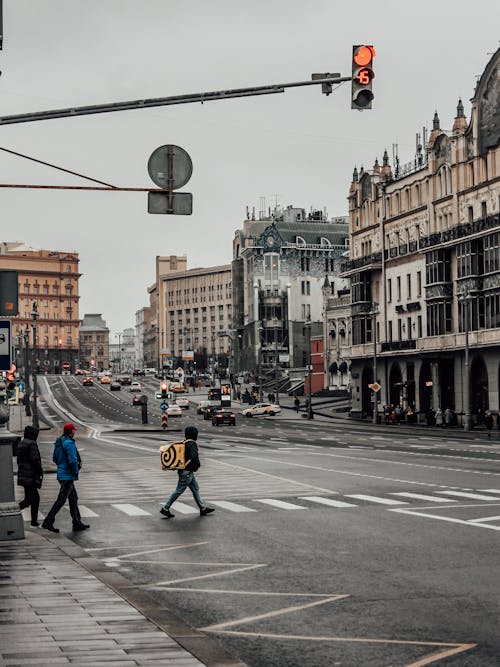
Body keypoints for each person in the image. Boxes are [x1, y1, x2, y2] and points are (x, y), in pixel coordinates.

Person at [42, 423, 89, 533]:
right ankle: (48, 521)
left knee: (73, 498)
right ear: (70, 431)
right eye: (74, 430)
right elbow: (73, 460)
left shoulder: (59, 442)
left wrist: (62, 466)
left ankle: (76, 522)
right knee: (61, 500)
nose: (75, 432)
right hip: (67, 476)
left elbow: (55, 458)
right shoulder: (69, 443)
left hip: (62, 474)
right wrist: (75, 471)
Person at [160, 425, 215, 519]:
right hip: (187, 472)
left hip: (185, 471)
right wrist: (197, 465)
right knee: (179, 490)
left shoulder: (184, 443)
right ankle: (165, 508)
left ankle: (203, 508)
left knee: (195, 488)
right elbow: (193, 457)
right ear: (194, 434)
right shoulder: (192, 444)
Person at [17, 425, 43, 527]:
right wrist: (39, 471)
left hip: (24, 474)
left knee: (32, 498)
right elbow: (35, 459)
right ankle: (15, 511)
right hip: (30, 475)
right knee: (31, 499)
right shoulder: (32, 444)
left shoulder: (22, 443)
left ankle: (34, 521)